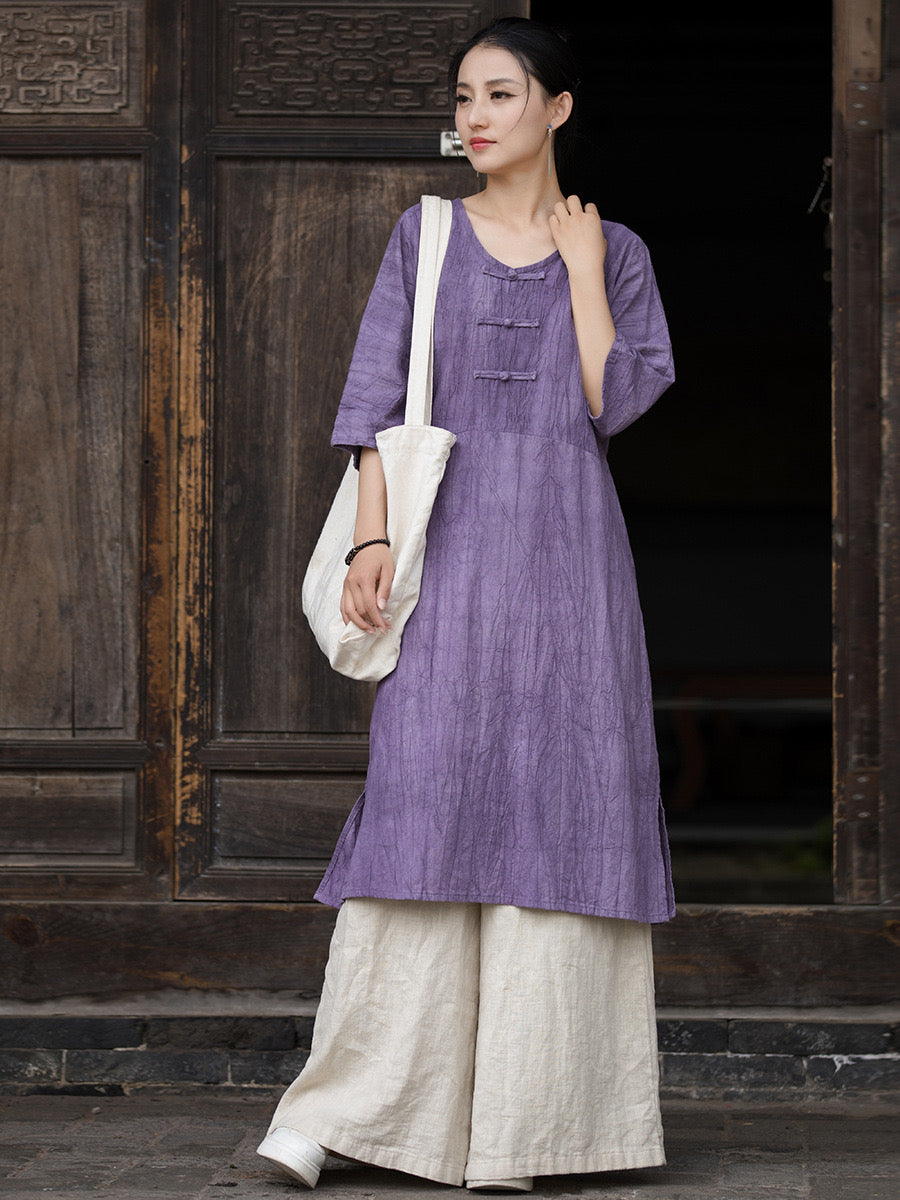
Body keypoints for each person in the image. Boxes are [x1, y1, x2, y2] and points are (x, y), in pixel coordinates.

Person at [258, 15, 676, 1191]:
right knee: (422, 798)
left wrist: (582, 270)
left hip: (570, 563)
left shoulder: (617, 251)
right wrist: (372, 536)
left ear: (558, 107)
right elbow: (376, 398)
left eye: (501, 93)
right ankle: (348, 1112)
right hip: (446, 551)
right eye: (465, 96)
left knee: (562, 804)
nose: (477, 116)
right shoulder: (425, 234)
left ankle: (528, 1132)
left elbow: (612, 404)